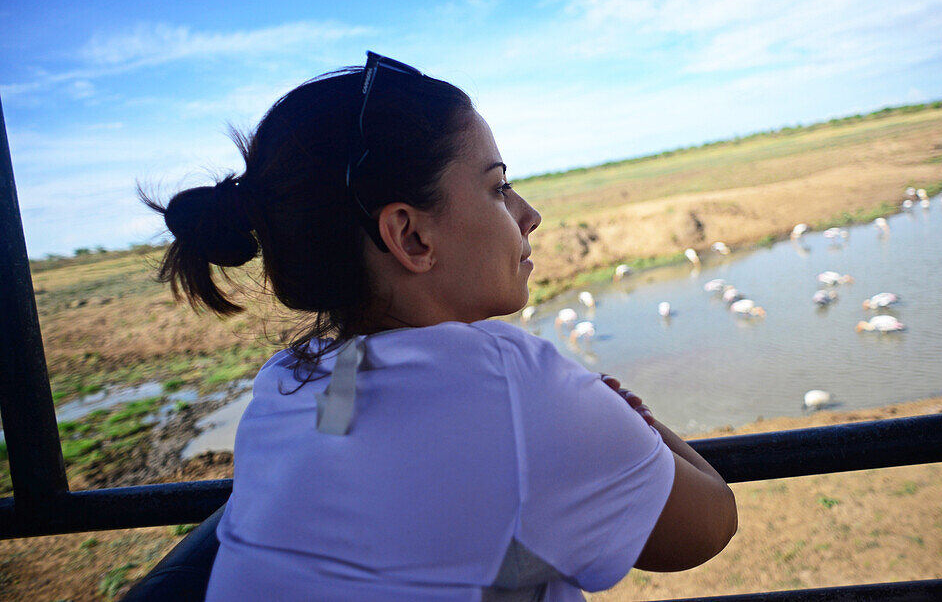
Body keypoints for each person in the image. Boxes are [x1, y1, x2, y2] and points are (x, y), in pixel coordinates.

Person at [145, 52, 736, 601]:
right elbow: (711, 523)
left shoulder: (291, 385)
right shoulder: (514, 384)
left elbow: (356, 451)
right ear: (410, 236)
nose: (529, 214)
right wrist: (633, 419)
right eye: (497, 186)